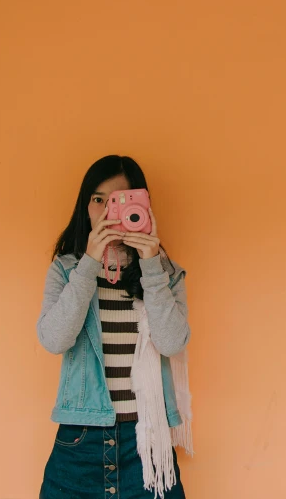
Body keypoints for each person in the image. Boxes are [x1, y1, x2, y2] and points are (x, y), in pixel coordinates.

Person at [37, 155, 192, 499]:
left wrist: (151, 265)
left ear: (143, 203)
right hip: (81, 440)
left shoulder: (165, 273)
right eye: (98, 199)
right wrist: (89, 262)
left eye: (121, 199)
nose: (109, 210)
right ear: (85, 207)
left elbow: (171, 343)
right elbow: (54, 339)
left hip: (148, 443)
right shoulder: (66, 270)